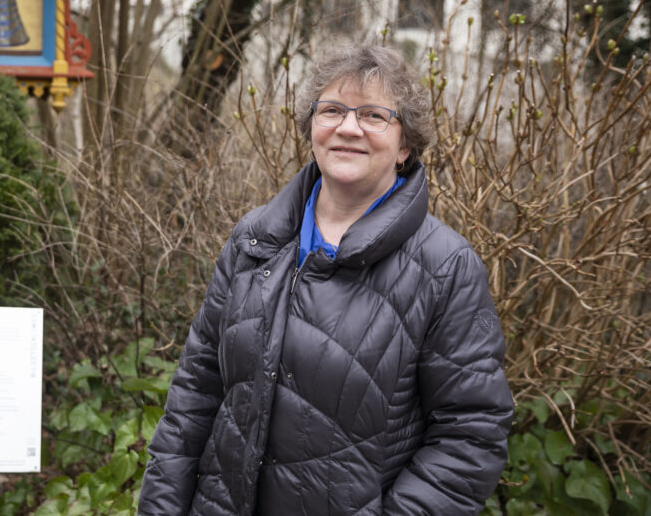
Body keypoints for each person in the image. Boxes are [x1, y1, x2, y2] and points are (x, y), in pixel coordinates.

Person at [138, 45, 514, 515]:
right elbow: (197, 388)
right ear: (312, 127)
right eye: (332, 110)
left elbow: (470, 433)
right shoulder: (255, 239)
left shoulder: (444, 266)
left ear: (405, 146)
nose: (348, 127)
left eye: (374, 115)